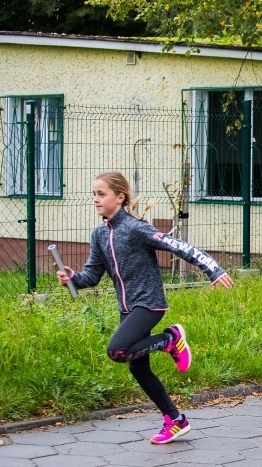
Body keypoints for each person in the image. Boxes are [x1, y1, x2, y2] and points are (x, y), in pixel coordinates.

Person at [56, 171, 234, 444]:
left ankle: (170, 339)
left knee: (117, 350)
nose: (96, 199)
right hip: (128, 309)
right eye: (94, 194)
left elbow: (178, 246)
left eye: (101, 194)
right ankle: (176, 421)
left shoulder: (136, 228)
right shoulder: (99, 235)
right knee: (138, 368)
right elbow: (91, 276)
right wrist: (72, 278)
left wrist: (213, 269)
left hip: (149, 304)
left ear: (120, 197)